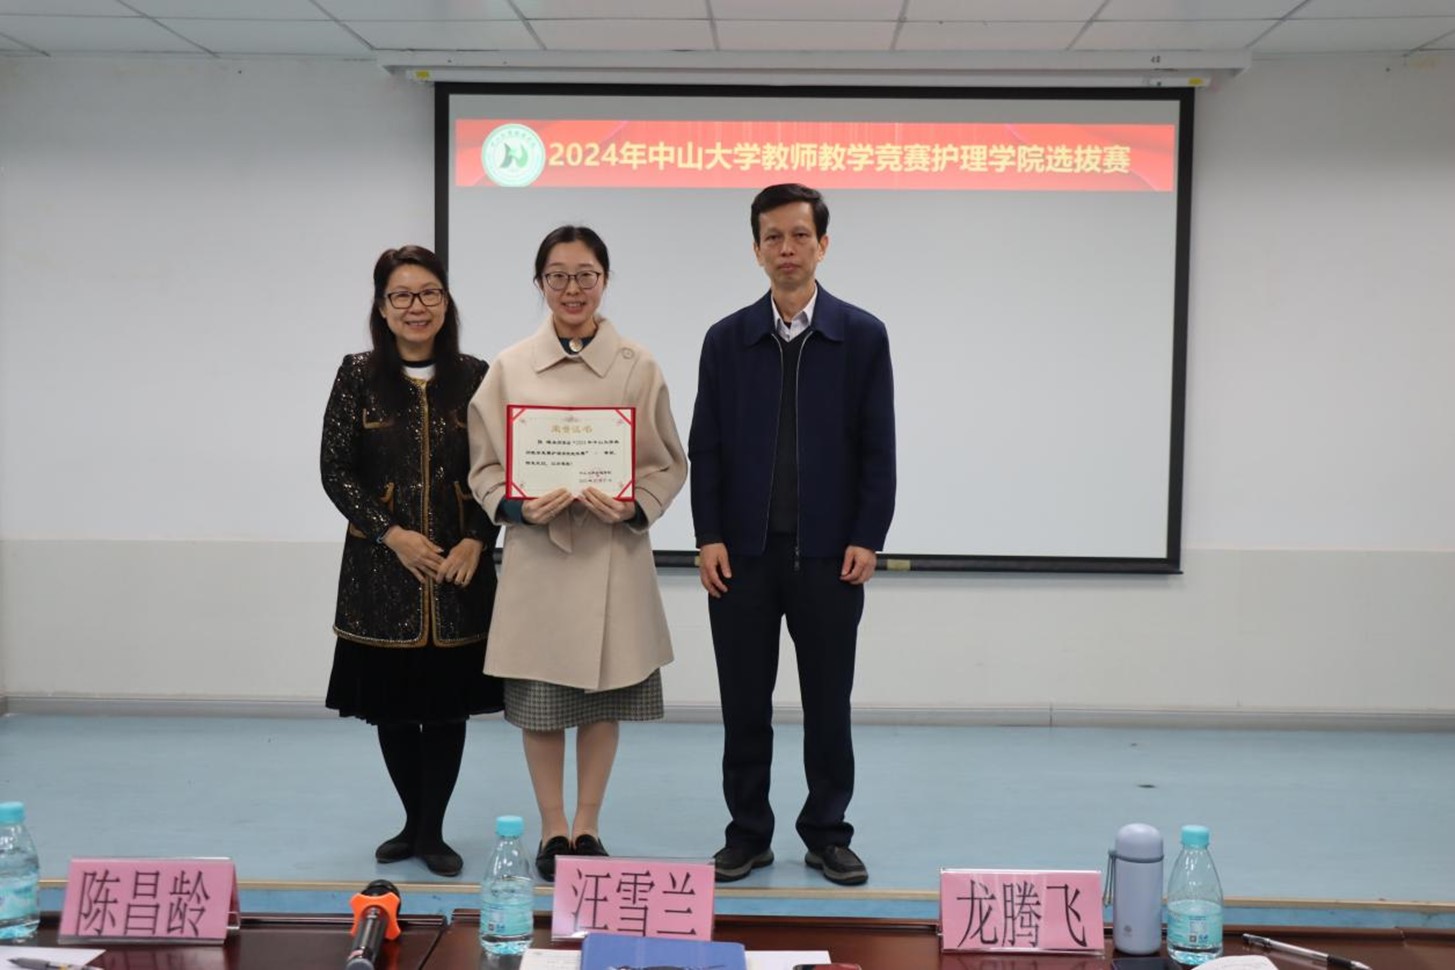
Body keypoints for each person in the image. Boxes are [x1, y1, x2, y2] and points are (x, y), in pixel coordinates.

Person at [689, 184, 896, 886]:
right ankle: (747, 834)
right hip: (741, 557)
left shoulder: (860, 335)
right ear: (756, 250)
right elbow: (707, 447)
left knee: (827, 705)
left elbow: (878, 445)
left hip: (829, 556)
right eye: (772, 237)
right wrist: (709, 534)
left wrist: (868, 533)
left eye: (799, 235)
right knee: (744, 705)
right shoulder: (726, 339)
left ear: (822, 245)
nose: (786, 249)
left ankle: (827, 833)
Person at [467, 226, 687, 882]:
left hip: (611, 555)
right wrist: (515, 506)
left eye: (585, 275)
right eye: (557, 276)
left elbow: (667, 462)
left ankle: (587, 826)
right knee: (540, 702)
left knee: (602, 699)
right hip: (539, 556)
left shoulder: (637, 365)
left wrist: (633, 505)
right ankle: (551, 826)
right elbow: (483, 467)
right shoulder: (509, 367)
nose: (572, 289)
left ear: (604, 281)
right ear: (539, 283)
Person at [321, 245, 502, 878]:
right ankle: (411, 819)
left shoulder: (476, 375)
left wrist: (478, 538)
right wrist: (390, 534)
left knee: (447, 708)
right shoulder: (357, 375)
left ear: (446, 302)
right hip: (382, 575)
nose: (415, 306)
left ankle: (432, 830)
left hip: (457, 573)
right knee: (394, 708)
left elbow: (497, 469)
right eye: (401, 295)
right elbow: (336, 471)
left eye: (428, 293)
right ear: (381, 307)